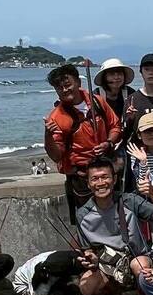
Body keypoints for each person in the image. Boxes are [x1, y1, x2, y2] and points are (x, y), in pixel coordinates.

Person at [75, 157, 153, 295]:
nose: (101, 183)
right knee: (86, 285)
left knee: (138, 265)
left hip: (135, 258)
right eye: (95, 179)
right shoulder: (83, 214)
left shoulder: (129, 201)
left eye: (105, 177)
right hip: (106, 265)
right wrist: (90, 260)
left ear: (115, 179)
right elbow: (86, 249)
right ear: (88, 183)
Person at [43, 64, 121, 223]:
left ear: (78, 82)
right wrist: (48, 136)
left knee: (116, 215)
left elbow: (115, 126)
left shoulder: (98, 101)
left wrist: (108, 142)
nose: (64, 90)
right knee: (89, 221)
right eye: (59, 88)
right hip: (82, 178)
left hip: (107, 170)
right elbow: (56, 155)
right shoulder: (56, 118)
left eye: (67, 85)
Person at [12, 251, 83, 295]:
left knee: (73, 290)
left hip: (44, 275)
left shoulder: (62, 257)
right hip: (24, 286)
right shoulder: (47, 274)